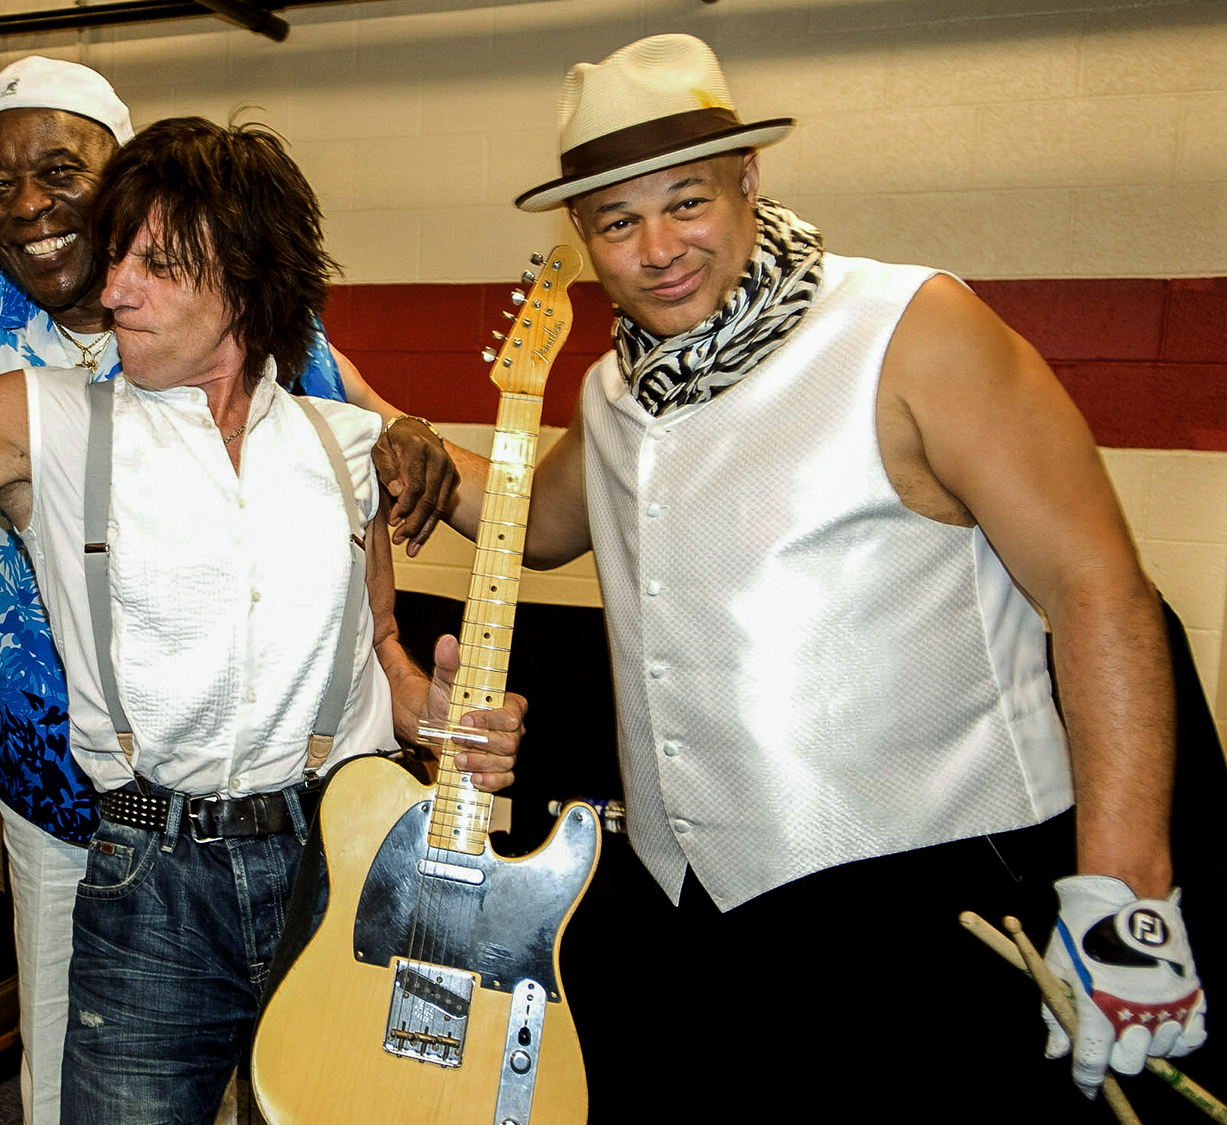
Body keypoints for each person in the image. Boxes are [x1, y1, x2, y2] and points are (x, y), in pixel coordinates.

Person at [481, 33, 1208, 1121]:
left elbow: (1096, 588)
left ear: (748, 178)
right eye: (615, 222)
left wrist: (1121, 896)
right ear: (581, 237)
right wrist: (364, 429)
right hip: (701, 916)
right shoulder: (613, 391)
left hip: (930, 900)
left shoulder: (910, 329)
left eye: (686, 202)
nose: (656, 248)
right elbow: (530, 526)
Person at [0, 116, 524, 1125]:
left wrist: (435, 713)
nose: (114, 288)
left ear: (244, 275)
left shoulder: (346, 446)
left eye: (156, 265)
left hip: (335, 867)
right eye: (117, 256)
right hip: (150, 884)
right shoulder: (44, 422)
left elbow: (402, 627)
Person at [0, 56, 465, 1125]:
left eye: (59, 170)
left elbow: (356, 432)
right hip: (54, 776)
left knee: (284, 1070)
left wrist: (406, 430)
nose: (31, 205)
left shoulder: (262, 332)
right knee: (68, 1078)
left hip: (262, 779)